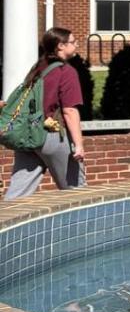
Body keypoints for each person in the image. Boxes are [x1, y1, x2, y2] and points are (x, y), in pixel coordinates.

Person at [3, 27, 86, 200]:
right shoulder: (66, 72)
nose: (76, 44)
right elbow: (69, 110)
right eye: (73, 42)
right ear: (60, 46)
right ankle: (84, 227)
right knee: (76, 193)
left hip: (28, 136)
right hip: (52, 137)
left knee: (17, 195)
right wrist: (78, 145)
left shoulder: (38, 68)